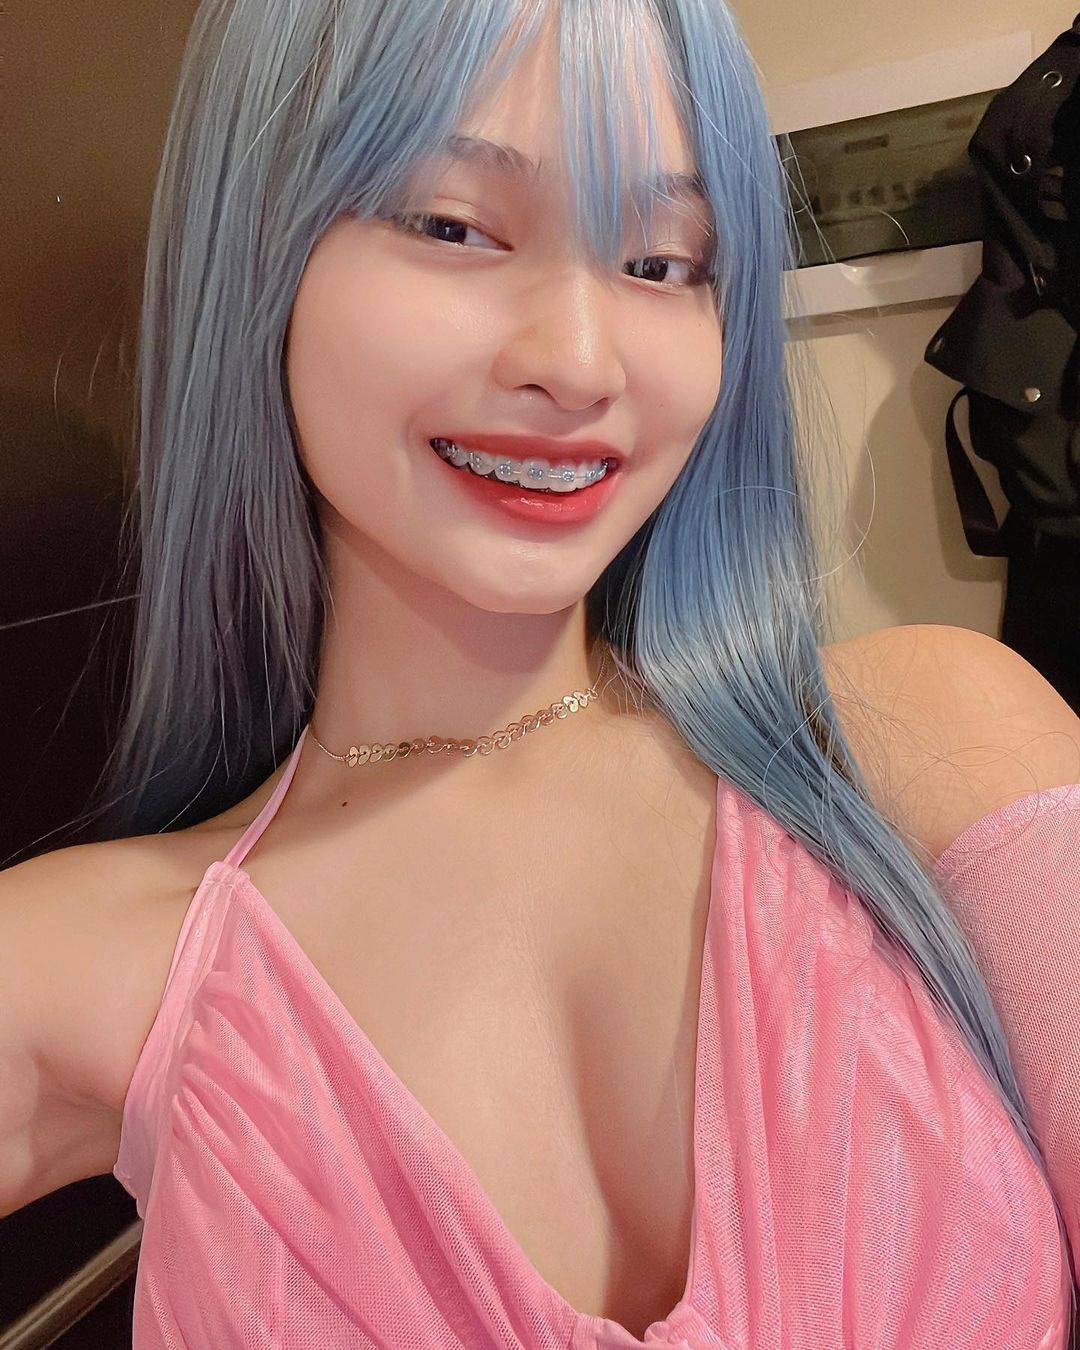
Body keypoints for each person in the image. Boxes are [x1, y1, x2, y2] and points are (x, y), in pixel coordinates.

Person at [2, 1, 1078, 1346]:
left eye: (664, 261)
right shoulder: (85, 964)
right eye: (453, 226)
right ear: (258, 249)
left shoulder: (935, 739)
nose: (578, 362)